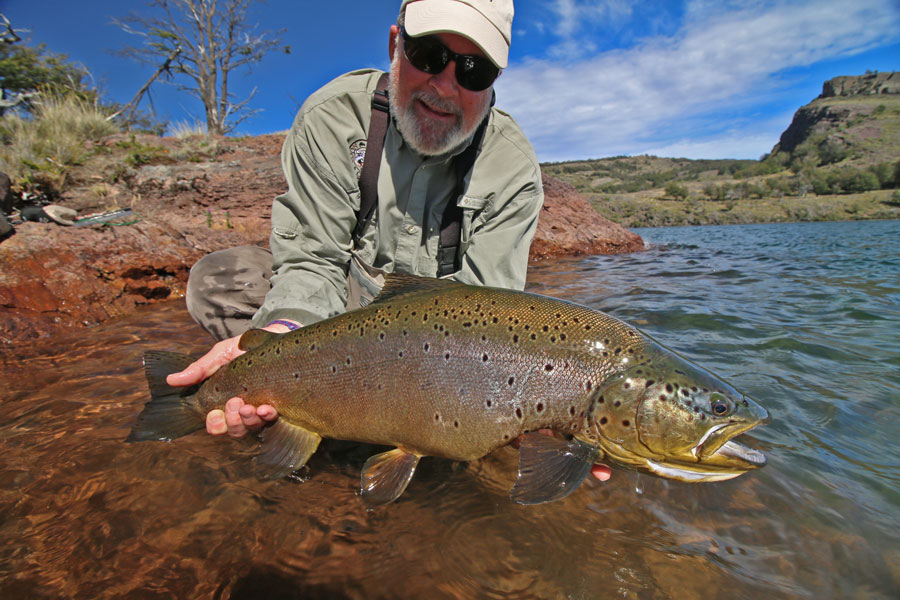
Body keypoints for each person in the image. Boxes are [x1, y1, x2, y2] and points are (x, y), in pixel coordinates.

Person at [167, 0, 612, 482]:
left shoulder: (512, 168)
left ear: (493, 83)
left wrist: (535, 417)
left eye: (473, 69)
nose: (444, 84)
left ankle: (358, 425)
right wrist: (283, 336)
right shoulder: (332, 119)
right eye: (427, 55)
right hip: (337, 308)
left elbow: (493, 313)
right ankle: (287, 403)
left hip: (441, 343)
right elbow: (314, 259)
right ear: (394, 44)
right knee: (216, 280)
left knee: (488, 448)